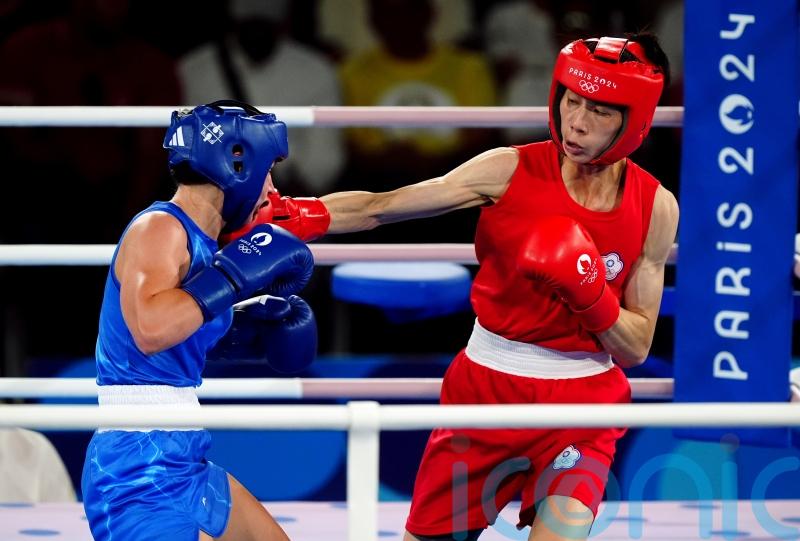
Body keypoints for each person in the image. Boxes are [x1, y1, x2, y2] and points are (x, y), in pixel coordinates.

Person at [226, 33, 678, 541]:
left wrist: (590, 295)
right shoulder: (507, 169)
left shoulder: (655, 207)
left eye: (598, 111)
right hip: (486, 392)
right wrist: (301, 216)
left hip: (583, 406)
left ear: (634, 119)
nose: (576, 121)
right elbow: (385, 206)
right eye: (572, 101)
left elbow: (637, 347)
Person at [81, 100, 317, 541]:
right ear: (238, 162)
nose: (272, 187)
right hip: (137, 466)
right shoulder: (159, 229)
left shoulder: (203, 246)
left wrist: (250, 329)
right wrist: (232, 276)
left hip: (184, 455)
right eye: (269, 169)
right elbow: (150, 329)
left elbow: (183, 332)